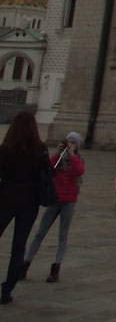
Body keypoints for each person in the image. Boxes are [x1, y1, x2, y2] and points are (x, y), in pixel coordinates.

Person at [0, 111, 51, 305]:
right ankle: (7, 289)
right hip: (29, 201)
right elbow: (46, 175)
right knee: (18, 246)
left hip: (5, 196)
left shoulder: (5, 149)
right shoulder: (40, 149)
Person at [22, 132, 84, 284]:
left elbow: (79, 171)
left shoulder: (78, 159)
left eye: (72, 142)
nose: (69, 144)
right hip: (55, 199)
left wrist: (72, 154)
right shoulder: (59, 158)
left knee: (62, 236)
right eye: (68, 141)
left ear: (77, 145)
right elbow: (49, 169)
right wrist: (57, 153)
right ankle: (25, 264)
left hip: (69, 201)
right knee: (40, 232)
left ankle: (55, 268)